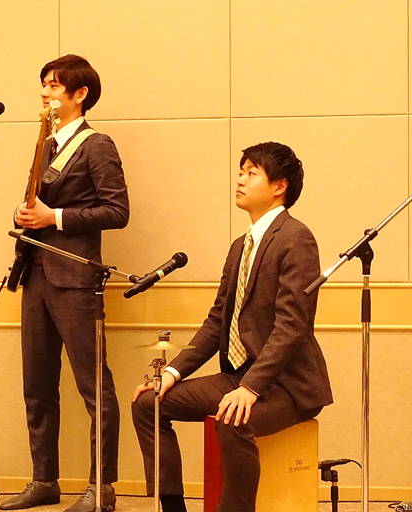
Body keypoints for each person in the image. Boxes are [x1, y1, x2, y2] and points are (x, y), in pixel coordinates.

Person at [132, 141, 333, 512]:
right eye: (241, 172)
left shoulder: (296, 238)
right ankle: (173, 509)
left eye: (251, 173)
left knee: (232, 419)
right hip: (237, 377)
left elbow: (291, 326)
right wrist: (173, 373)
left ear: (280, 186)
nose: (240, 180)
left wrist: (251, 387)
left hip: (288, 385)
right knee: (148, 403)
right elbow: (217, 320)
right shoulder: (242, 245)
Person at [0, 55, 129, 512]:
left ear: (80, 94)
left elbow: (117, 211)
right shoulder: (45, 143)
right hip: (35, 275)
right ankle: (44, 480)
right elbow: (35, 205)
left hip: (75, 280)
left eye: (54, 86)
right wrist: (25, 214)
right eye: (44, 84)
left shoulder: (97, 145)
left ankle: (102, 488)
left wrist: (53, 216)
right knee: (36, 386)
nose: (45, 92)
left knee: (95, 388)